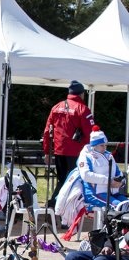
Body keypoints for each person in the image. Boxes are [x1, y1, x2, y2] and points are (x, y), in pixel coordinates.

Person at [42, 80, 95, 208]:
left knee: (63, 180)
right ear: (82, 94)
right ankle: (56, 206)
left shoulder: (56, 107)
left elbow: (47, 131)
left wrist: (46, 152)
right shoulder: (83, 109)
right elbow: (91, 134)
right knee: (72, 181)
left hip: (59, 151)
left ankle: (54, 206)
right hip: (76, 152)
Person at [76, 125, 127, 208]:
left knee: (126, 205)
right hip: (94, 194)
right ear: (94, 145)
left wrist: (120, 183)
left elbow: (119, 173)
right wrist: (109, 181)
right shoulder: (86, 156)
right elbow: (86, 175)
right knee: (119, 206)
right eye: (102, 145)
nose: (105, 148)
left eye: (105, 145)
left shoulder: (108, 155)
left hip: (113, 193)